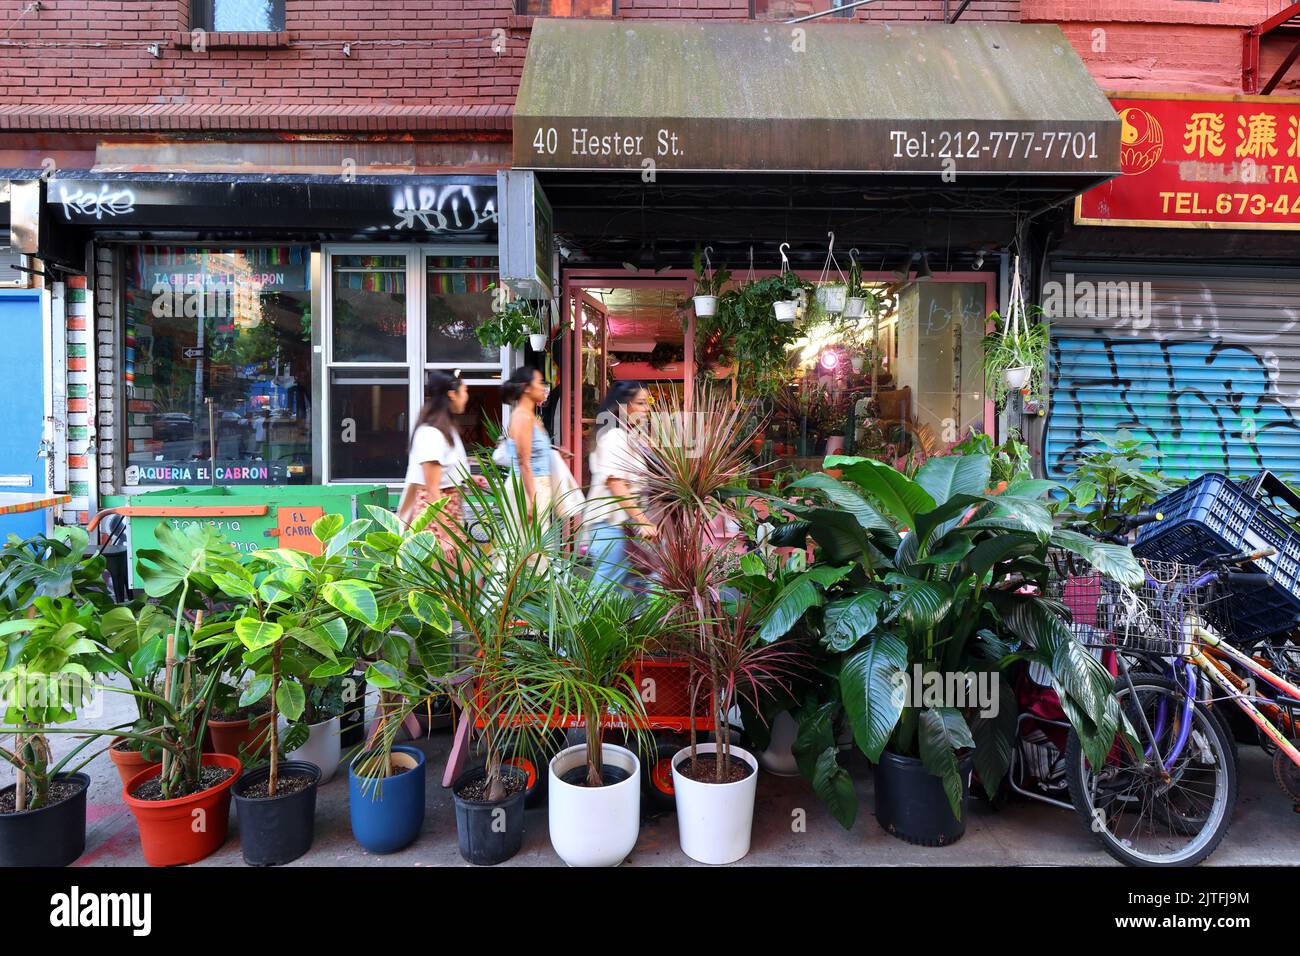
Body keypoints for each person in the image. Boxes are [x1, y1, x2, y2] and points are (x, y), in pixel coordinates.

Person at [586, 381, 656, 589]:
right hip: (609, 527)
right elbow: (616, 484)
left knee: (633, 591)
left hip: (622, 529)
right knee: (604, 593)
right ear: (623, 406)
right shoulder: (614, 437)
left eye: (647, 402)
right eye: (641, 403)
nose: (647, 409)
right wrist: (643, 521)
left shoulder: (626, 436)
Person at [398, 370, 470, 544]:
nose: (467, 397)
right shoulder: (431, 433)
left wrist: (470, 478)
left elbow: (443, 474)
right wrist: (444, 536)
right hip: (435, 518)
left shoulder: (446, 429)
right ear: (452, 394)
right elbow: (431, 489)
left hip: (448, 512)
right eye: (465, 391)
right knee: (442, 561)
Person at [502, 366, 554, 518]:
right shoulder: (522, 417)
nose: (543, 387)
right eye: (539, 382)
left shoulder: (529, 417)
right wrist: (532, 500)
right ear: (527, 388)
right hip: (526, 488)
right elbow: (523, 462)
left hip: (535, 486)